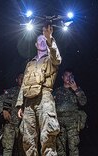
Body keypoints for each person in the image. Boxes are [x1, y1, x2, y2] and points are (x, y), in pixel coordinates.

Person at [16, 23, 62, 156]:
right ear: (36, 44)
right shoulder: (30, 63)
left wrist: (50, 39)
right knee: (28, 138)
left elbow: (57, 58)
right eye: (40, 40)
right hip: (28, 101)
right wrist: (20, 105)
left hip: (45, 97)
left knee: (47, 135)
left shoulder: (50, 60)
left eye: (44, 40)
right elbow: (24, 83)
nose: (42, 42)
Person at [53, 69, 87, 156]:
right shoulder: (57, 91)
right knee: (60, 148)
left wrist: (76, 89)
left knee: (74, 147)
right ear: (62, 77)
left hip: (73, 123)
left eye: (70, 75)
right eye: (66, 75)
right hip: (59, 123)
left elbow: (83, 102)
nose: (68, 77)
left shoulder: (77, 89)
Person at [0, 73, 24, 156]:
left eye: (24, 77)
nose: (22, 79)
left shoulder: (29, 93)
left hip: (24, 125)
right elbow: (0, 100)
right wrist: (3, 110)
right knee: (7, 149)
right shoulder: (10, 91)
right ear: (16, 80)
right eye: (20, 78)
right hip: (10, 124)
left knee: (24, 148)